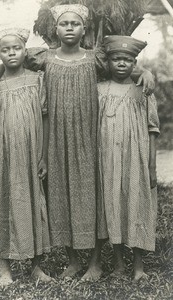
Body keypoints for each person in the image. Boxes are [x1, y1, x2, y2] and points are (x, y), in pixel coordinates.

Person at [0, 4, 155, 281]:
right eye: (64, 23)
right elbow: (10, 60)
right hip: (56, 138)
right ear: (56, 29)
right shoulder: (44, 58)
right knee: (60, 196)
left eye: (75, 23)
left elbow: (120, 67)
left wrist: (144, 72)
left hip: (90, 137)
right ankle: (73, 261)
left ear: (84, 28)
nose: (70, 27)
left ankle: (95, 263)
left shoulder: (94, 58)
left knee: (92, 196)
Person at [0, 28, 51, 286]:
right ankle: (4, 268)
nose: (11, 53)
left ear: (24, 50)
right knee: (3, 207)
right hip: (3, 157)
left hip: (31, 156)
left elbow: (45, 118)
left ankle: (36, 265)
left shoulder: (37, 80)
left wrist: (43, 156)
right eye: (5, 50)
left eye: (16, 48)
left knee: (34, 204)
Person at [97, 35, 159, 282]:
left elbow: (153, 129)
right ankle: (119, 263)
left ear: (135, 63)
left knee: (137, 204)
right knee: (113, 206)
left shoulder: (143, 91)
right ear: (108, 61)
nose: (121, 63)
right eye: (116, 59)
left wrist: (152, 166)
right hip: (107, 158)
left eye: (128, 59)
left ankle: (138, 266)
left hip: (136, 158)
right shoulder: (99, 90)